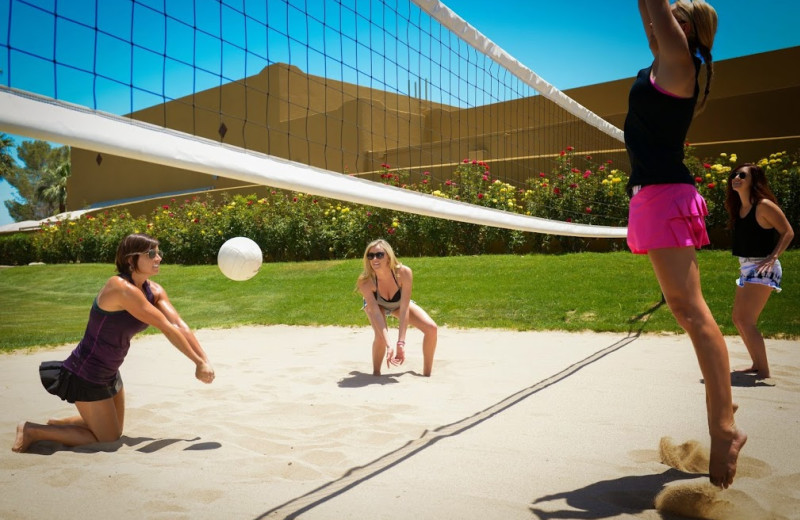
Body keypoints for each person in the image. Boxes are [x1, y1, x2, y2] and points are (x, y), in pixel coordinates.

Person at [624, 0, 746, 488]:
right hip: (655, 194)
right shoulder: (663, 57)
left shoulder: (680, 62)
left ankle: (724, 428)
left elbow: (656, 11)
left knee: (692, 312)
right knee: (684, 309)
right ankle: (725, 415)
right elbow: (649, 14)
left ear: (689, 30)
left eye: (675, 14)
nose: (663, 18)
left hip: (666, 193)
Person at [12, 233, 215, 453]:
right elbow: (166, 327)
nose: (158, 258)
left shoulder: (153, 290)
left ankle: (59, 424)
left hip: (109, 371)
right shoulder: (120, 288)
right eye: (151, 253)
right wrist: (196, 361)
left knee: (114, 431)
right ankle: (32, 430)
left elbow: (178, 324)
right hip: (86, 373)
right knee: (107, 439)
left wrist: (204, 360)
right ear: (131, 259)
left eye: (159, 252)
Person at [726, 163, 794, 379]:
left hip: (763, 266)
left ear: (753, 181)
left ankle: (763, 370)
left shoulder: (763, 205)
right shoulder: (740, 207)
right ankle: (757, 364)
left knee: (746, 319)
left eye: (742, 175)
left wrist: (774, 256)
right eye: (734, 174)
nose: (736, 177)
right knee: (738, 318)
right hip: (746, 265)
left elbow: (787, 232)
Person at [356, 239, 437, 376]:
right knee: (381, 337)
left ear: (388, 256)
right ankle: (376, 374)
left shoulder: (404, 273)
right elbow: (375, 312)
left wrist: (401, 343)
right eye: (371, 256)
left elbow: (404, 308)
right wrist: (389, 345)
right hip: (377, 305)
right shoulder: (365, 281)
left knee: (431, 328)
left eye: (379, 255)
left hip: (398, 304)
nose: (375, 259)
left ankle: (427, 374)